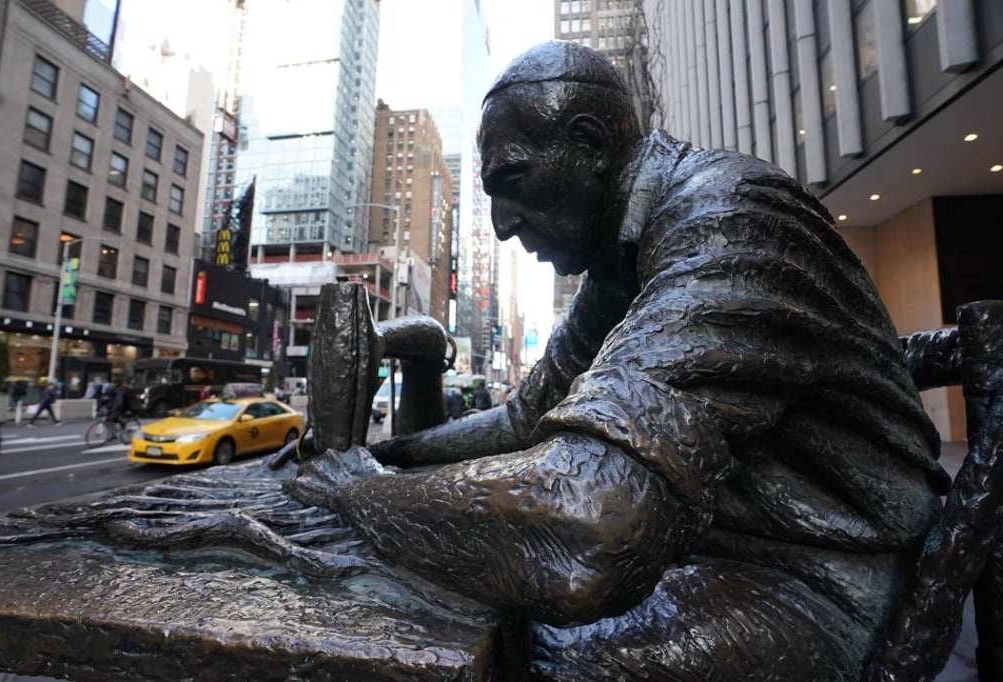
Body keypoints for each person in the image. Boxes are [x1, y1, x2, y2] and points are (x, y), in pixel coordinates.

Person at [308, 41, 946, 680]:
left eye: (512, 180)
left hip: (821, 582)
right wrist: (386, 457)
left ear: (588, 145)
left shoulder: (730, 219)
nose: (502, 224)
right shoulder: (616, 267)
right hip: (719, 551)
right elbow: (525, 422)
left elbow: (591, 527)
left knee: (509, 656)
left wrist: (360, 496)